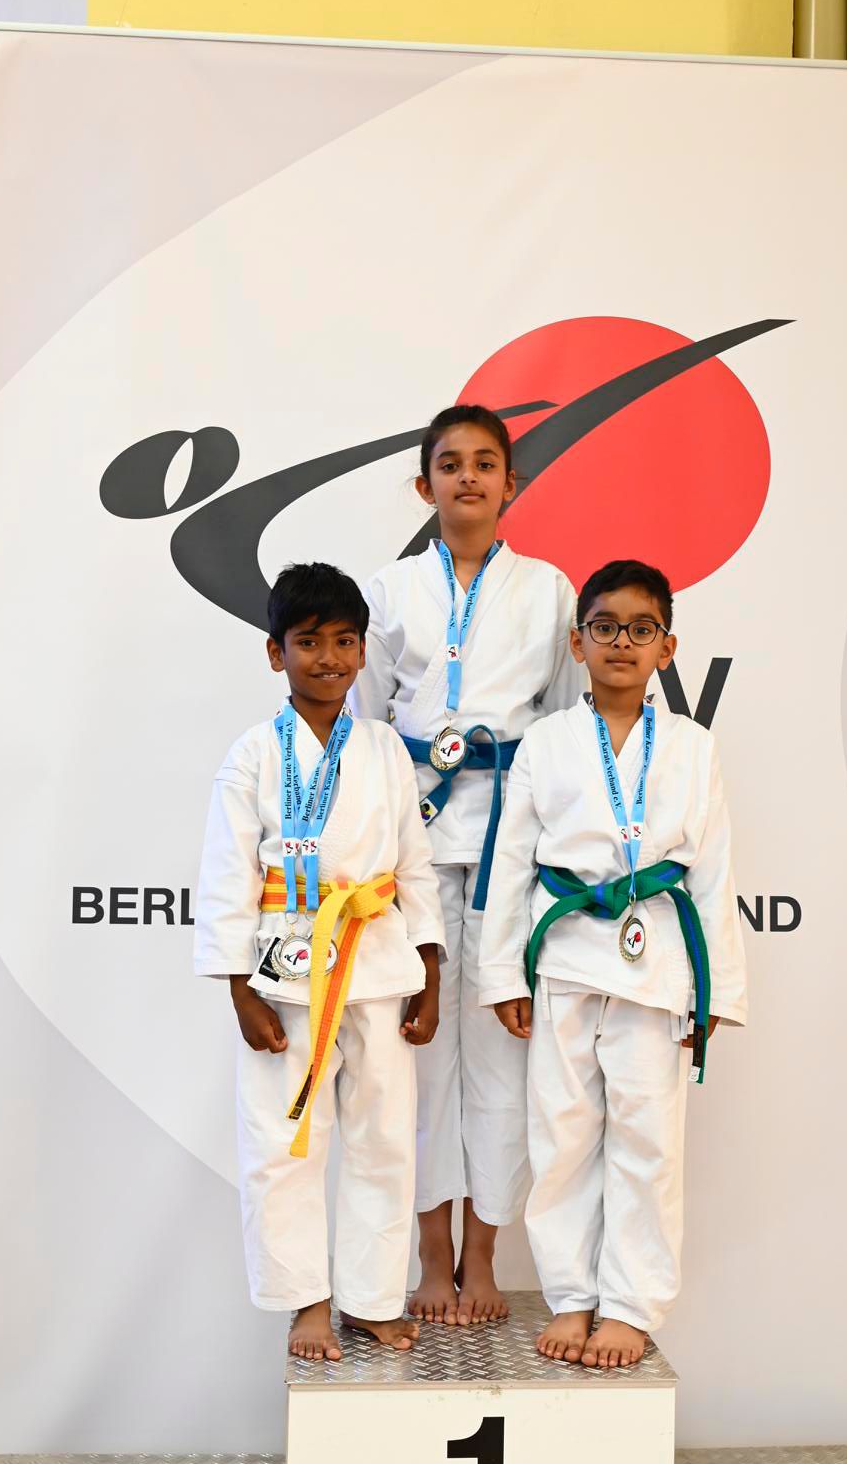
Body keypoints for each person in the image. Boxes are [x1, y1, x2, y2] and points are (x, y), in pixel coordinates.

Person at [478, 559, 747, 1368]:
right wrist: (504, 973)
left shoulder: (693, 747)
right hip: (566, 956)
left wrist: (714, 991)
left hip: (657, 962)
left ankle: (628, 1306)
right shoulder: (546, 743)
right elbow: (511, 865)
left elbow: (714, 873)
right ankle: (572, 1296)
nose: (621, 642)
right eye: (605, 627)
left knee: (647, 1138)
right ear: (577, 643)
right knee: (561, 1136)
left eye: (640, 629)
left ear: (668, 646)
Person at [351, 405, 583, 1327]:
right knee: (414, 1055)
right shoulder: (391, 589)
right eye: (451, 465)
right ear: (425, 486)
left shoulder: (550, 590)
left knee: (498, 1057)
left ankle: (480, 1254)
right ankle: (429, 1255)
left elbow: (563, 728)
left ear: (511, 484)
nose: (469, 478)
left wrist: (547, 839)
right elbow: (367, 726)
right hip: (411, 841)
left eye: (487, 464)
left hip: (508, 844)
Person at [194, 562, 446, 1361]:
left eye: (344, 641)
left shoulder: (384, 749)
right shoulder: (252, 755)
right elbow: (227, 876)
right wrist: (239, 989)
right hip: (284, 968)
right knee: (283, 1140)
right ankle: (306, 1300)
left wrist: (430, 972)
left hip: (377, 961)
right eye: (308, 642)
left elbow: (414, 863)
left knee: (385, 1138)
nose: (328, 658)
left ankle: (371, 1299)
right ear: (277, 653)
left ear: (363, 651)